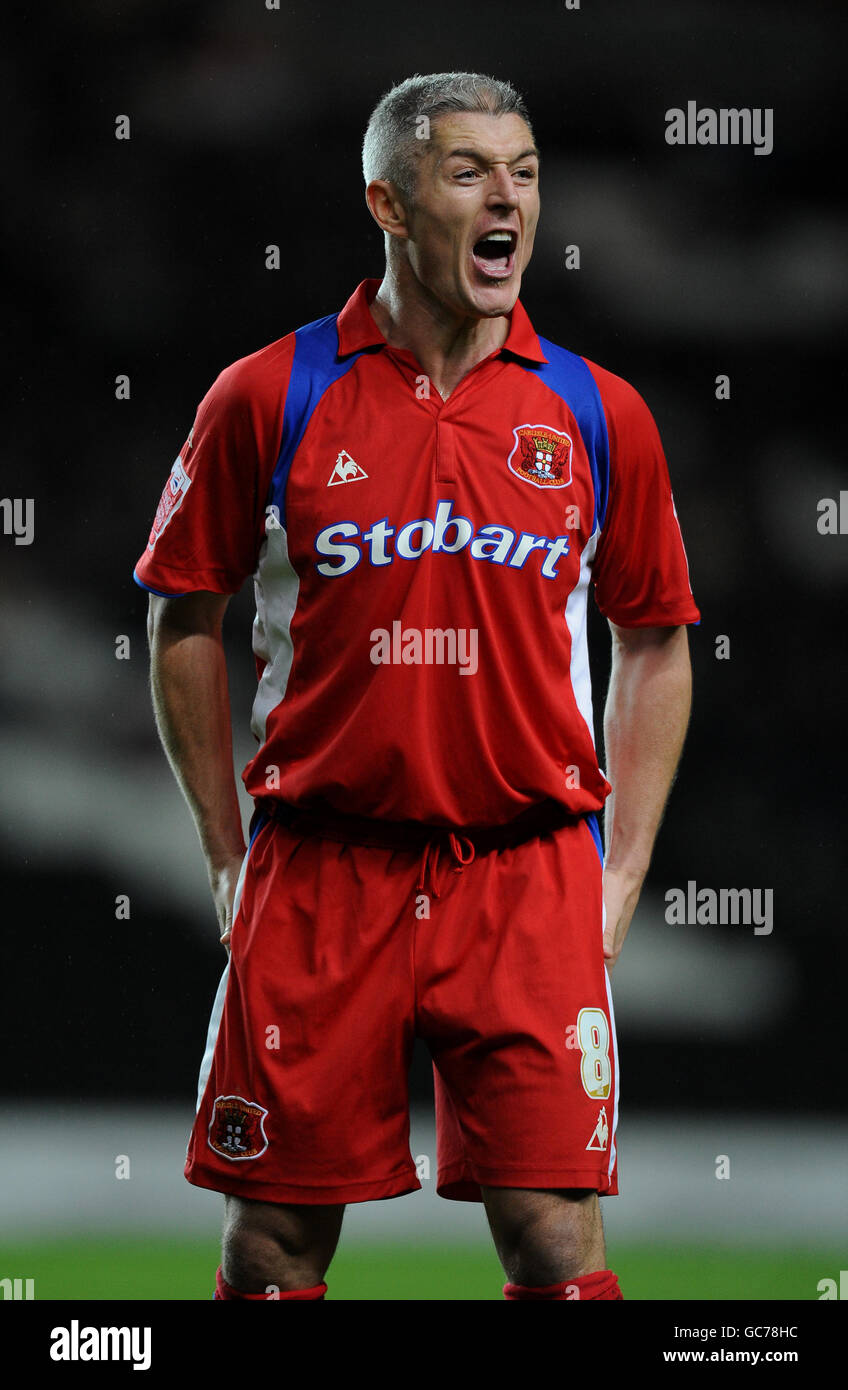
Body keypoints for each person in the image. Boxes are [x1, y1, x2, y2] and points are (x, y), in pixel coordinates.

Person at [134, 71, 699, 1303]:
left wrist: (622, 869)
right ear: (388, 203)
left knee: (556, 1244)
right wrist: (226, 853)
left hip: (527, 868)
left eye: (527, 171)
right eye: (470, 173)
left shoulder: (599, 413)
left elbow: (655, 639)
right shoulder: (266, 395)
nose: (511, 198)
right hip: (322, 864)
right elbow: (184, 612)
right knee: (270, 1246)